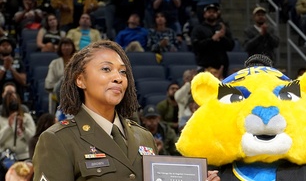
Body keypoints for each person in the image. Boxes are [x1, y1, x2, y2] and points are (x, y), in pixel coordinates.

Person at [32, 40, 220, 181]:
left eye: (123, 72)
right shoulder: (57, 139)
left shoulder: (144, 136)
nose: (118, 78)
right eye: (106, 69)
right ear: (80, 80)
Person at [191, 4, 234, 77]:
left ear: (217, 14)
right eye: (209, 12)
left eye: (214, 12)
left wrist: (223, 37)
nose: (212, 13)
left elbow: (231, 46)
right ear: (204, 14)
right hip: (205, 65)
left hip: (221, 66)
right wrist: (212, 40)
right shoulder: (198, 29)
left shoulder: (223, 28)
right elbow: (196, 46)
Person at [0, 88, 36, 161]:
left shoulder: (26, 117)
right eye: (10, 99)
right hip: (6, 158)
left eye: (14, 99)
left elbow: (33, 140)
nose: (13, 101)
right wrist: (8, 126)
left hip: (26, 156)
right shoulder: (1, 119)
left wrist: (23, 129)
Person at [45, 38, 76, 113]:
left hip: (75, 93)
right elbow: (49, 84)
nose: (67, 47)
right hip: (58, 93)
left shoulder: (77, 62)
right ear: (60, 48)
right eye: (64, 45)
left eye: (68, 45)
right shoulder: (54, 63)